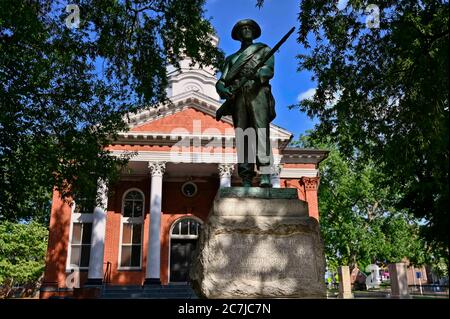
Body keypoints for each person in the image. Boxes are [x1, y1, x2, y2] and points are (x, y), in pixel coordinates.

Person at [215, 19, 276, 187]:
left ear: (254, 31)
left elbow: (269, 71)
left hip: (257, 93)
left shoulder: (263, 50)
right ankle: (246, 176)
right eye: (243, 28)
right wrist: (222, 89)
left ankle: (265, 174)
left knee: (261, 132)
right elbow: (222, 81)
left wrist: (256, 74)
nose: (246, 30)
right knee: (243, 136)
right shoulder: (231, 59)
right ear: (238, 35)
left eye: (249, 28)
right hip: (238, 97)